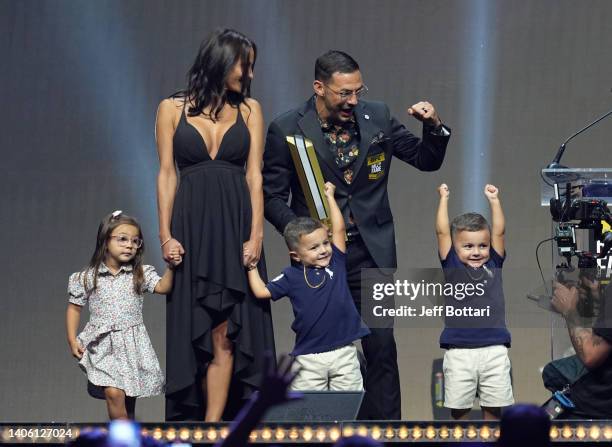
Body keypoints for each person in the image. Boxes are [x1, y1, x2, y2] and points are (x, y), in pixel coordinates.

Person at [263, 49, 450, 418]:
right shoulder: (287, 129)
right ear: (319, 87)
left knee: (381, 348)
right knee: (324, 352)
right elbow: (271, 197)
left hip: (371, 253)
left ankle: (387, 436)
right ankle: (329, 433)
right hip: (321, 263)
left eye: (357, 92)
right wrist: (302, 236)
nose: (352, 100)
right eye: (343, 93)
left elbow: (426, 160)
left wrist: (433, 125)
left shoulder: (377, 115)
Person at [155, 28, 275, 421]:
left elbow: (255, 176)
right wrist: (165, 235)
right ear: (223, 60)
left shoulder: (251, 110)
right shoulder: (171, 109)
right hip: (190, 228)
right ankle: (196, 424)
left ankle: (214, 427)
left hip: (235, 224)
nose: (250, 74)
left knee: (228, 327)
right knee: (198, 327)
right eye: (246, 65)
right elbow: (167, 175)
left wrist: (256, 237)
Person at [248, 182, 370, 391]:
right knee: (310, 414)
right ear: (295, 255)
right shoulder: (291, 276)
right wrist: (251, 266)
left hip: (344, 353)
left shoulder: (336, 264)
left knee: (346, 409)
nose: (323, 250)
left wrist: (330, 197)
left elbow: (339, 229)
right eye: (314, 247)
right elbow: (261, 291)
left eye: (325, 243)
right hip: (309, 358)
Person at [65, 211, 179, 420]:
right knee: (114, 393)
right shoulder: (88, 277)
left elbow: (163, 286)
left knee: (128, 399)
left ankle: (128, 438)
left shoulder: (139, 274)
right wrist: (72, 339)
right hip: (103, 344)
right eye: (123, 239)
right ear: (105, 241)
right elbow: (74, 307)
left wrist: (171, 266)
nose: (129, 245)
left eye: (135, 241)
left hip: (131, 344)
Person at [435, 184, 514, 420]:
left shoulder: (494, 265)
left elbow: (499, 231)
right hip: (459, 351)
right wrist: (443, 198)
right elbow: (441, 232)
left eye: (482, 245)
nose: (476, 251)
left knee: (494, 410)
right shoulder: (452, 265)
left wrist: (495, 200)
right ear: (455, 246)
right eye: (468, 246)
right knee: (460, 412)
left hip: (494, 349)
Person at [550, 278, 612, 418]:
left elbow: (590, 355)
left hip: (603, 402)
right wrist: (600, 299)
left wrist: (569, 310)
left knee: (552, 373)